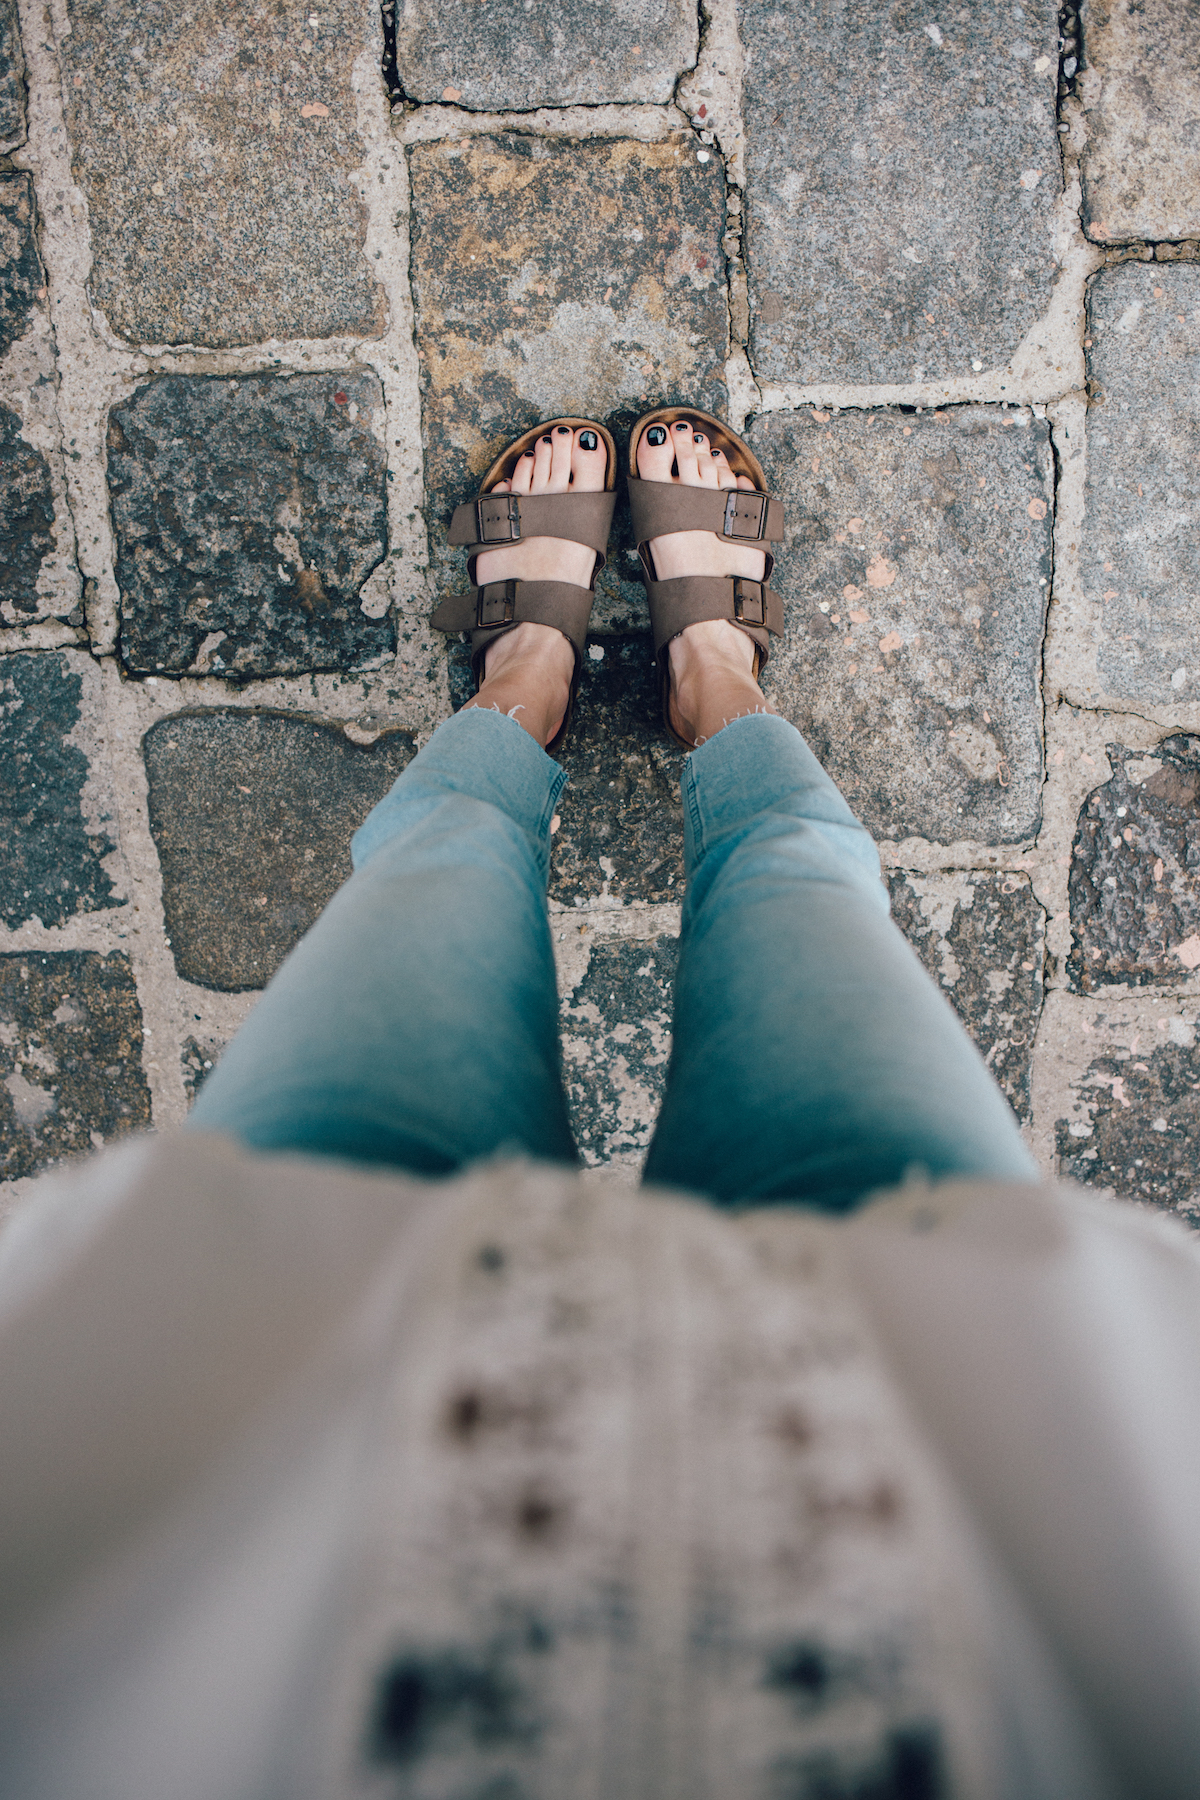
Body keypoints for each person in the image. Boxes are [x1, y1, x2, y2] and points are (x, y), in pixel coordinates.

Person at [1, 411, 1198, 1800]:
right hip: (971, 1401)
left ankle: (526, 678)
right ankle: (713, 676)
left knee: (440, 868)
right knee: (799, 878)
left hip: (264, 1378)